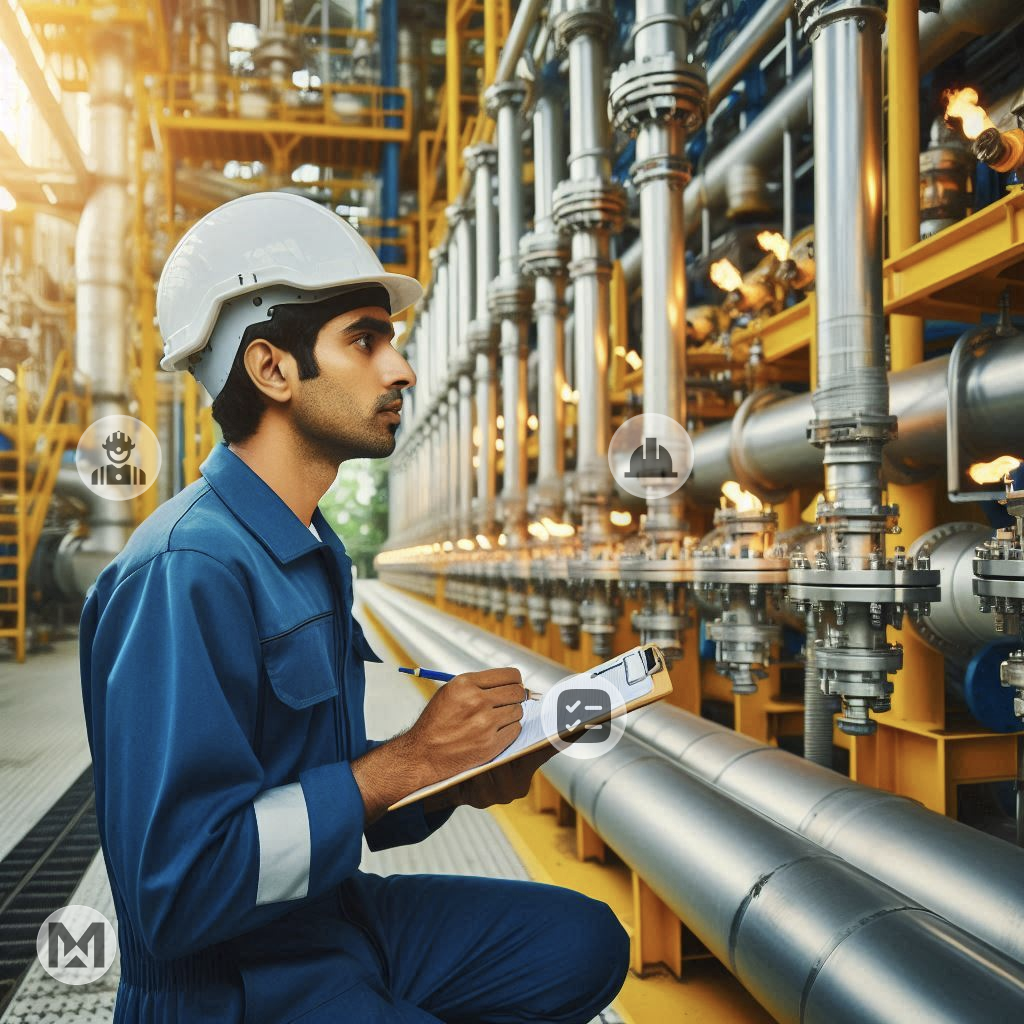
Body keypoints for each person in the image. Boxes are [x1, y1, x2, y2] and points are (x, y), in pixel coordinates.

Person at [78, 192, 629, 1024]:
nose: (400, 370)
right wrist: (405, 762)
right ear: (272, 369)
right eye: (365, 341)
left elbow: (321, 792)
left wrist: (455, 775)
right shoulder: (186, 571)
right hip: (227, 983)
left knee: (584, 943)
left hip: (332, 918)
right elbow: (178, 891)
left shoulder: (309, 550)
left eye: (392, 343)